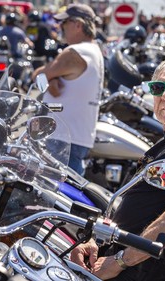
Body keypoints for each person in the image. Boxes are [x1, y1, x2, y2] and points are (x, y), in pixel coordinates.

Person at [70, 57, 165, 281]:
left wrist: (120, 261)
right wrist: (96, 241)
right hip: (125, 257)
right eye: (158, 88)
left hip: (146, 269)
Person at [31, 3, 104, 176]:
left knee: (53, 199)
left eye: (64, 23)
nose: (60, 27)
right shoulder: (93, 50)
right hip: (74, 138)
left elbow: (37, 77)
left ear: (78, 24)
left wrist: (47, 78)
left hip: (62, 139)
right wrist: (50, 80)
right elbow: (43, 80)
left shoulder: (76, 52)